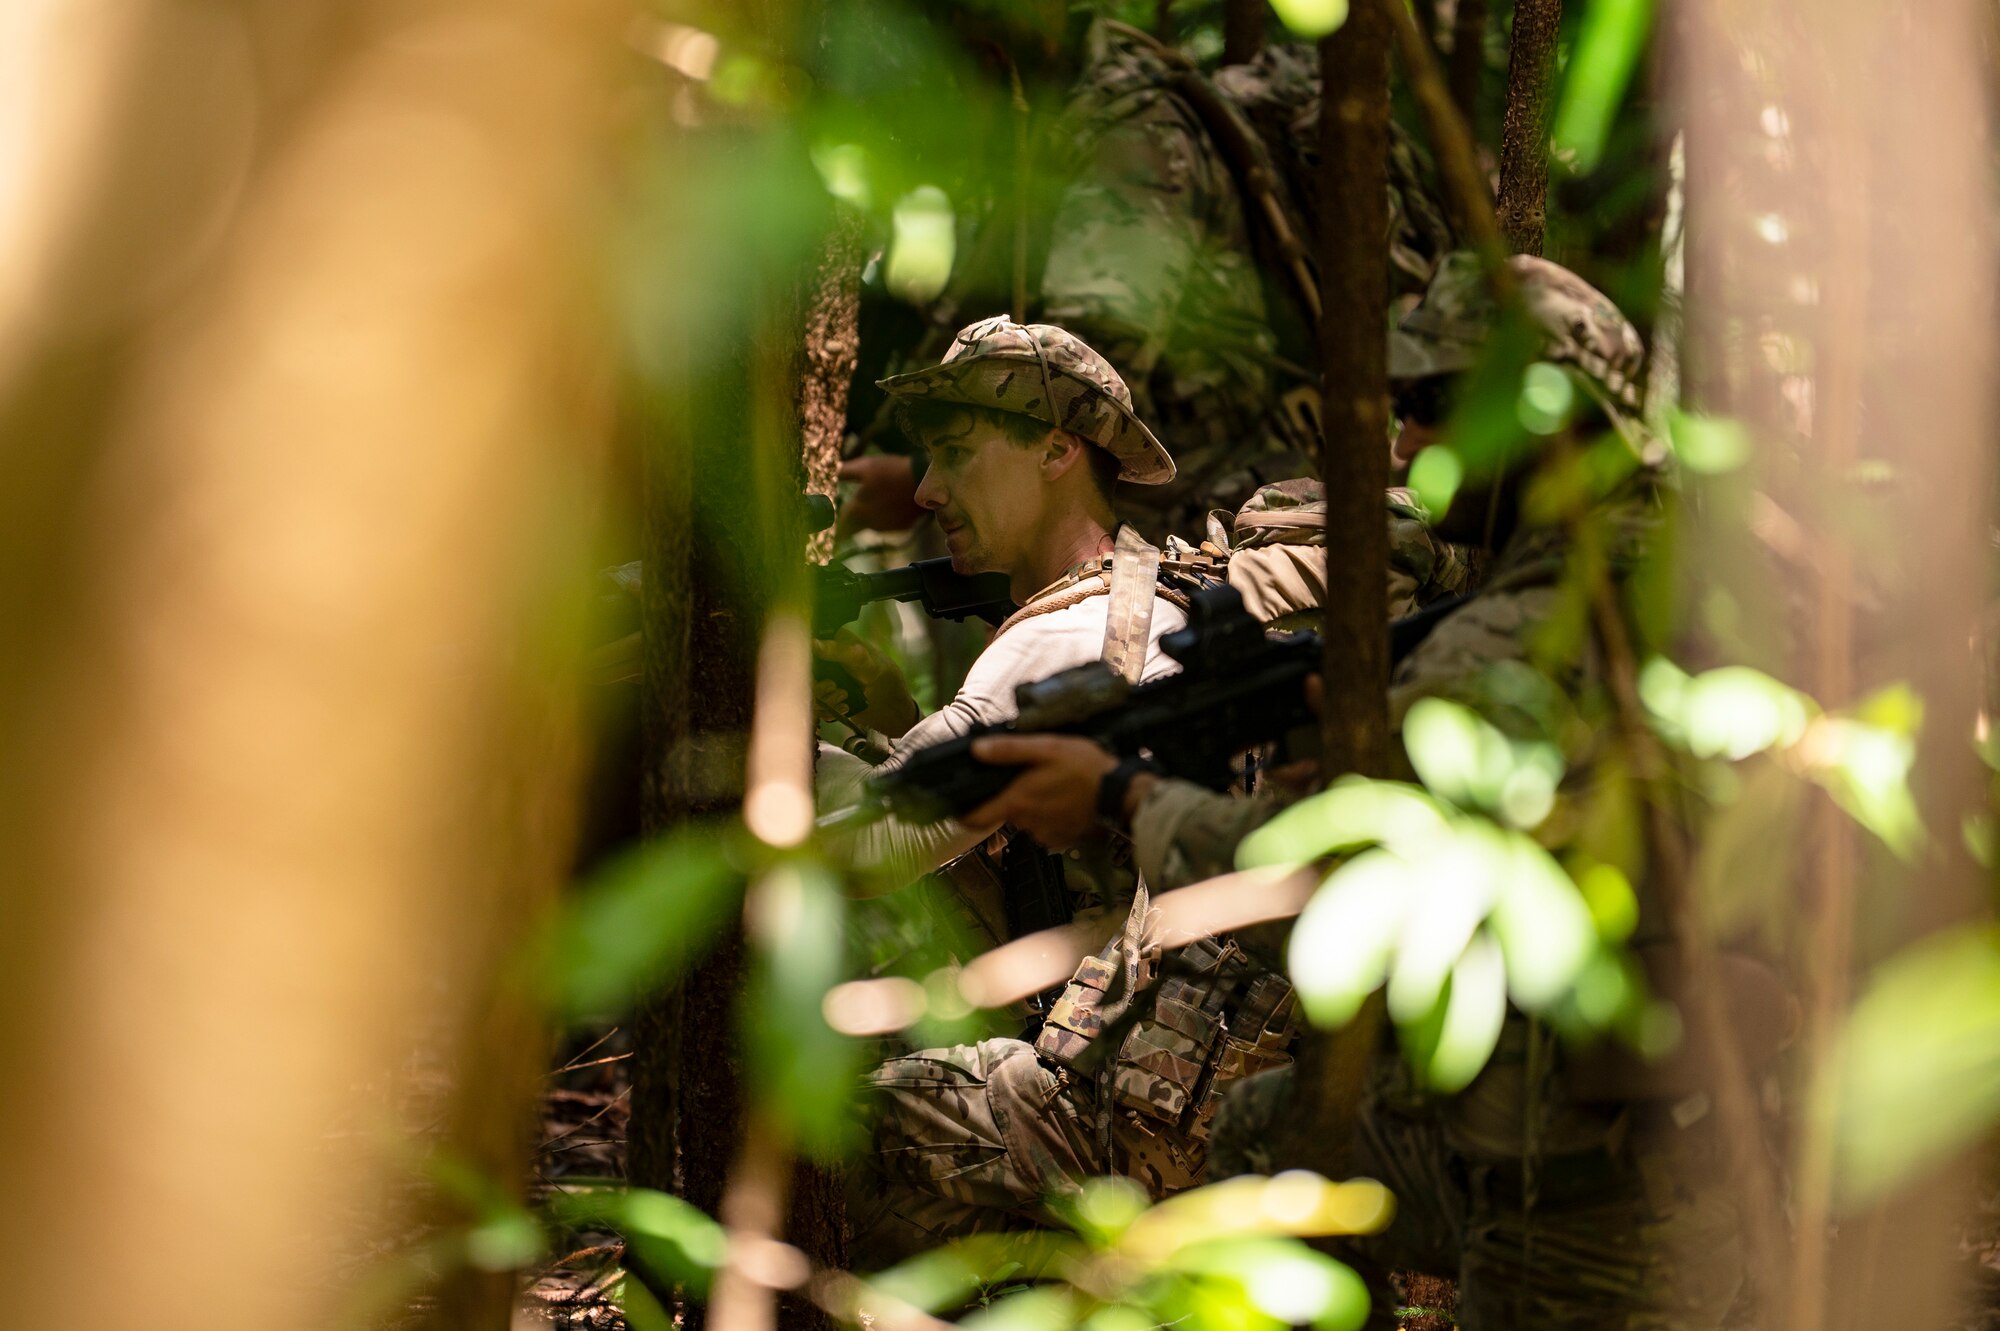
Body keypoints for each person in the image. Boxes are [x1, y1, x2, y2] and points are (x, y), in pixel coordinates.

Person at [895, 254, 1769, 1328]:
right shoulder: (1666, 574)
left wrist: (1124, 796)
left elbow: (1341, 903)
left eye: (1432, 411)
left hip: (1584, 1191)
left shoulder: (1517, 635)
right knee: (1272, 1126)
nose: (1402, 450)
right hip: (1703, 1127)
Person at [838, 22, 1458, 545]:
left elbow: (1091, 364)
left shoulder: (1127, 130)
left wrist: (924, 472)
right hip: (1170, 505)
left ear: (993, 70)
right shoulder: (1062, 136)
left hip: (1226, 516)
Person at [818, 314, 1199, 941]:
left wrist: (767, 732)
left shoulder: (1063, 636)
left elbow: (867, 845)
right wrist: (896, 716)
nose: (925, 491)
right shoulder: (1145, 597)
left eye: (956, 455)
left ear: (1055, 451)